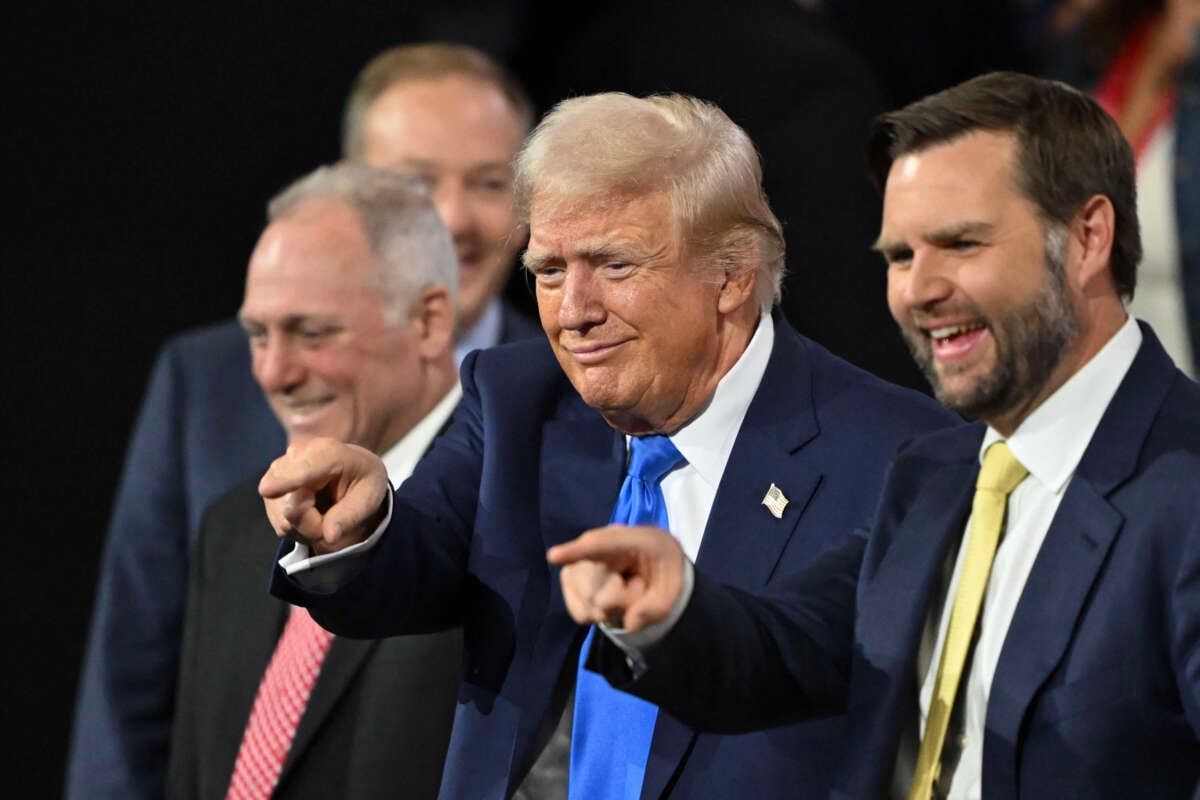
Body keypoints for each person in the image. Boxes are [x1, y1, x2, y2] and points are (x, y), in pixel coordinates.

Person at [260, 92, 954, 799]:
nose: (574, 312)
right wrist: (359, 529)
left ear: (732, 275)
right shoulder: (516, 401)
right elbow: (409, 570)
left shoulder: (904, 458)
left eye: (614, 266)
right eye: (550, 271)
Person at [550, 72, 1200, 798]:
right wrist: (669, 611)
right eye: (900, 256)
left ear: (1087, 238)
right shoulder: (936, 475)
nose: (920, 290)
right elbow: (786, 652)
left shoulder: (1182, 490)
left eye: (961, 244)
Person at [67, 42, 539, 800]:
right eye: (417, 185)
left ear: (427, 324)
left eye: (489, 183)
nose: (452, 220)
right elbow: (134, 694)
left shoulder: (578, 422)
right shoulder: (211, 413)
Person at [166, 163, 462, 799]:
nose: (275, 373)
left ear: (429, 322)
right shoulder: (235, 528)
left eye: (312, 332)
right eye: (257, 334)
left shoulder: (505, 523)